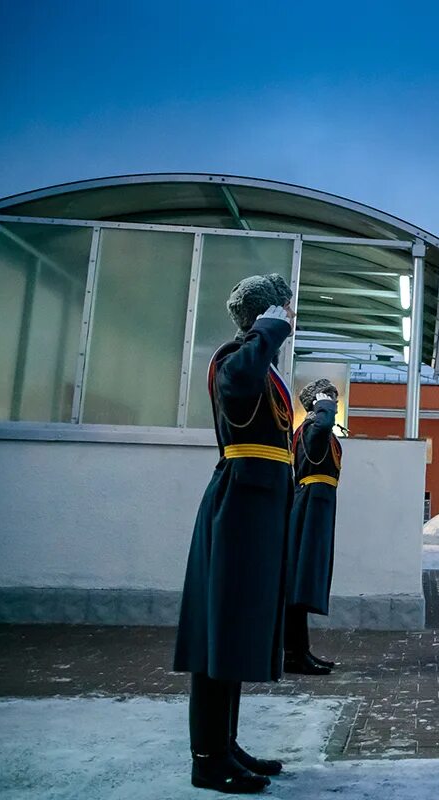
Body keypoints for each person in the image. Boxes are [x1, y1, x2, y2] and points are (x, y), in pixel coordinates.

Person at [173, 273, 295, 794]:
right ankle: (208, 757)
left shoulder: (259, 365)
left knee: (238, 630)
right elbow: (237, 383)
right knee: (219, 635)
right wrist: (266, 331)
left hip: (258, 507)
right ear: (263, 316)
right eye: (281, 314)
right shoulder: (234, 359)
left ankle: (227, 743)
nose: (289, 322)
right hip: (238, 506)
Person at [284, 379, 342, 676]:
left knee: (304, 582)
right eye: (330, 398)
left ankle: (299, 651)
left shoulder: (314, 430)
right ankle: (294, 654)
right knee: (300, 582)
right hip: (311, 506)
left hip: (317, 506)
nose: (335, 403)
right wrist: (324, 404)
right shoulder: (312, 428)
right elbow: (322, 425)